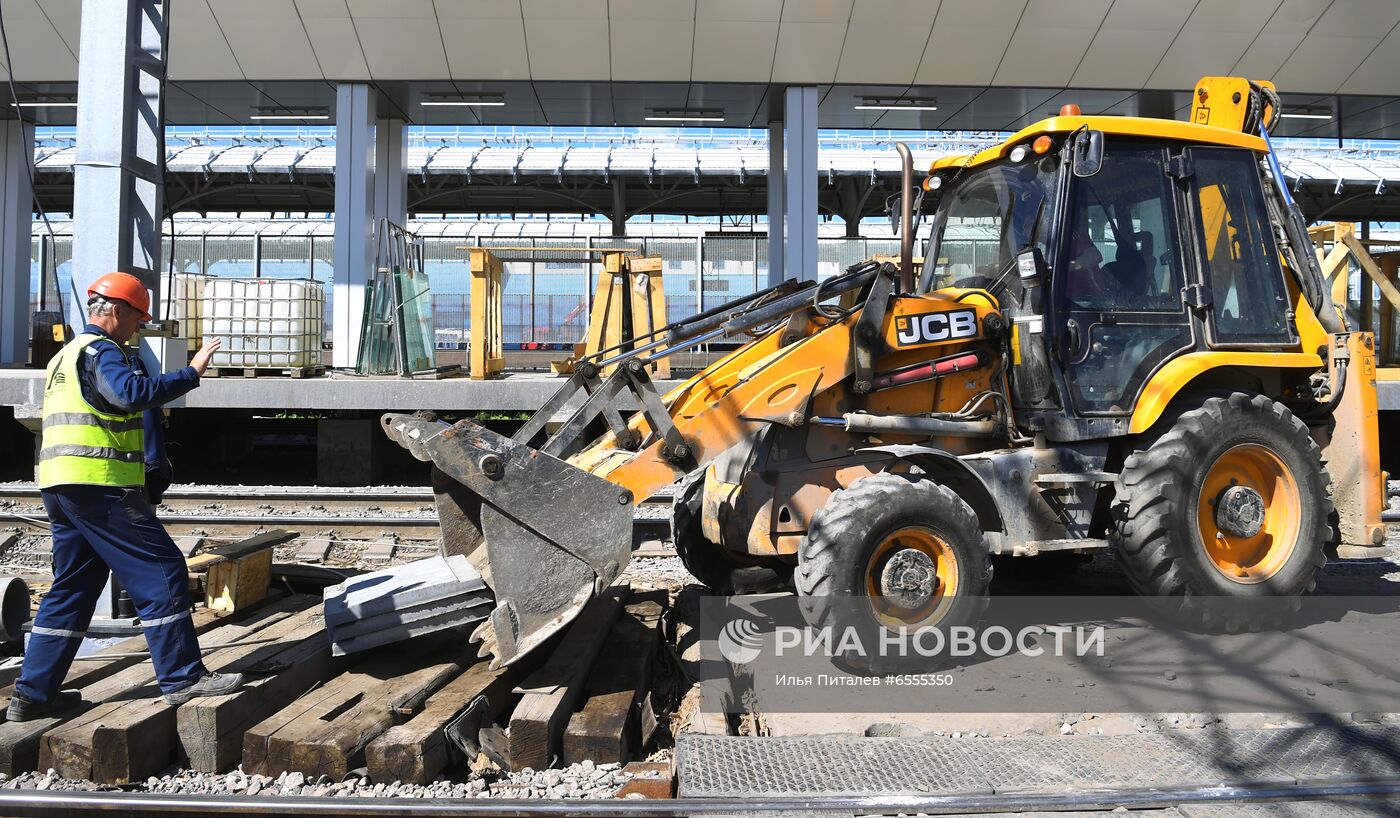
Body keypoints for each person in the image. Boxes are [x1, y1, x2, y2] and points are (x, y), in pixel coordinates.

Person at [8, 272, 241, 721]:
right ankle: (183, 678)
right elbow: (128, 394)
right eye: (137, 318)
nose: (139, 327)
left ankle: (33, 696)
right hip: (100, 486)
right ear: (116, 311)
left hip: (63, 485)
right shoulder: (101, 352)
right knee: (163, 571)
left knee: (72, 589)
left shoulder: (65, 356)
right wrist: (189, 374)